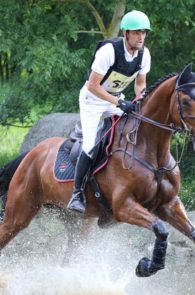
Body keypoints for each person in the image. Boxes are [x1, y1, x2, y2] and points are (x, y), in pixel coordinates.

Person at [67, 10, 152, 213]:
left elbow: (140, 85)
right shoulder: (109, 51)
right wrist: (119, 103)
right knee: (89, 145)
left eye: (144, 33)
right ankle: (76, 194)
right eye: (136, 32)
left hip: (115, 99)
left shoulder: (144, 54)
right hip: (92, 101)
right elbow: (92, 86)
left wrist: (139, 101)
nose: (141, 37)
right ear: (126, 33)